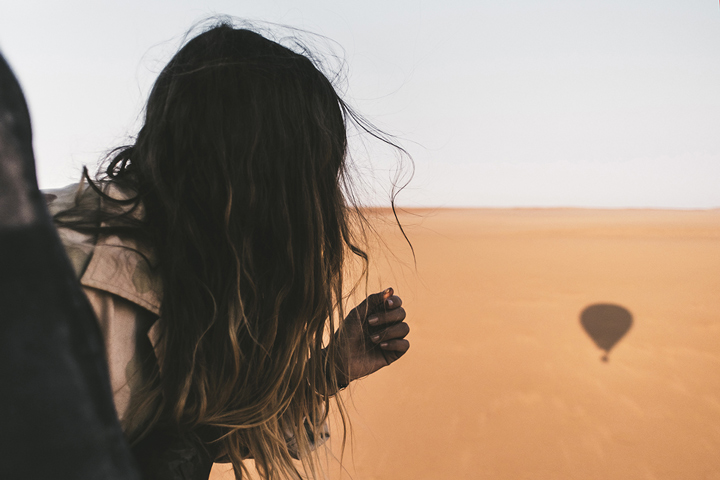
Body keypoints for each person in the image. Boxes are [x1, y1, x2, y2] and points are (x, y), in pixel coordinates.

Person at [49, 21, 411, 480]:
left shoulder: (190, 254)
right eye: (311, 180)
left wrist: (327, 369)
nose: (320, 209)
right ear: (258, 177)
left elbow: (204, 428)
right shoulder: (72, 294)